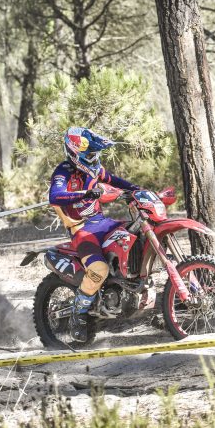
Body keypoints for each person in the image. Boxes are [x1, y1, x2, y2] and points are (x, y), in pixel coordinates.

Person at [48, 127, 141, 342]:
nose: (94, 158)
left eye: (94, 154)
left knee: (136, 234)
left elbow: (115, 180)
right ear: (74, 153)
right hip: (81, 230)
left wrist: (137, 189)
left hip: (103, 223)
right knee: (99, 269)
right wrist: (86, 193)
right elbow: (55, 195)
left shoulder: (95, 170)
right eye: (89, 155)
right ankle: (77, 315)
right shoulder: (63, 171)